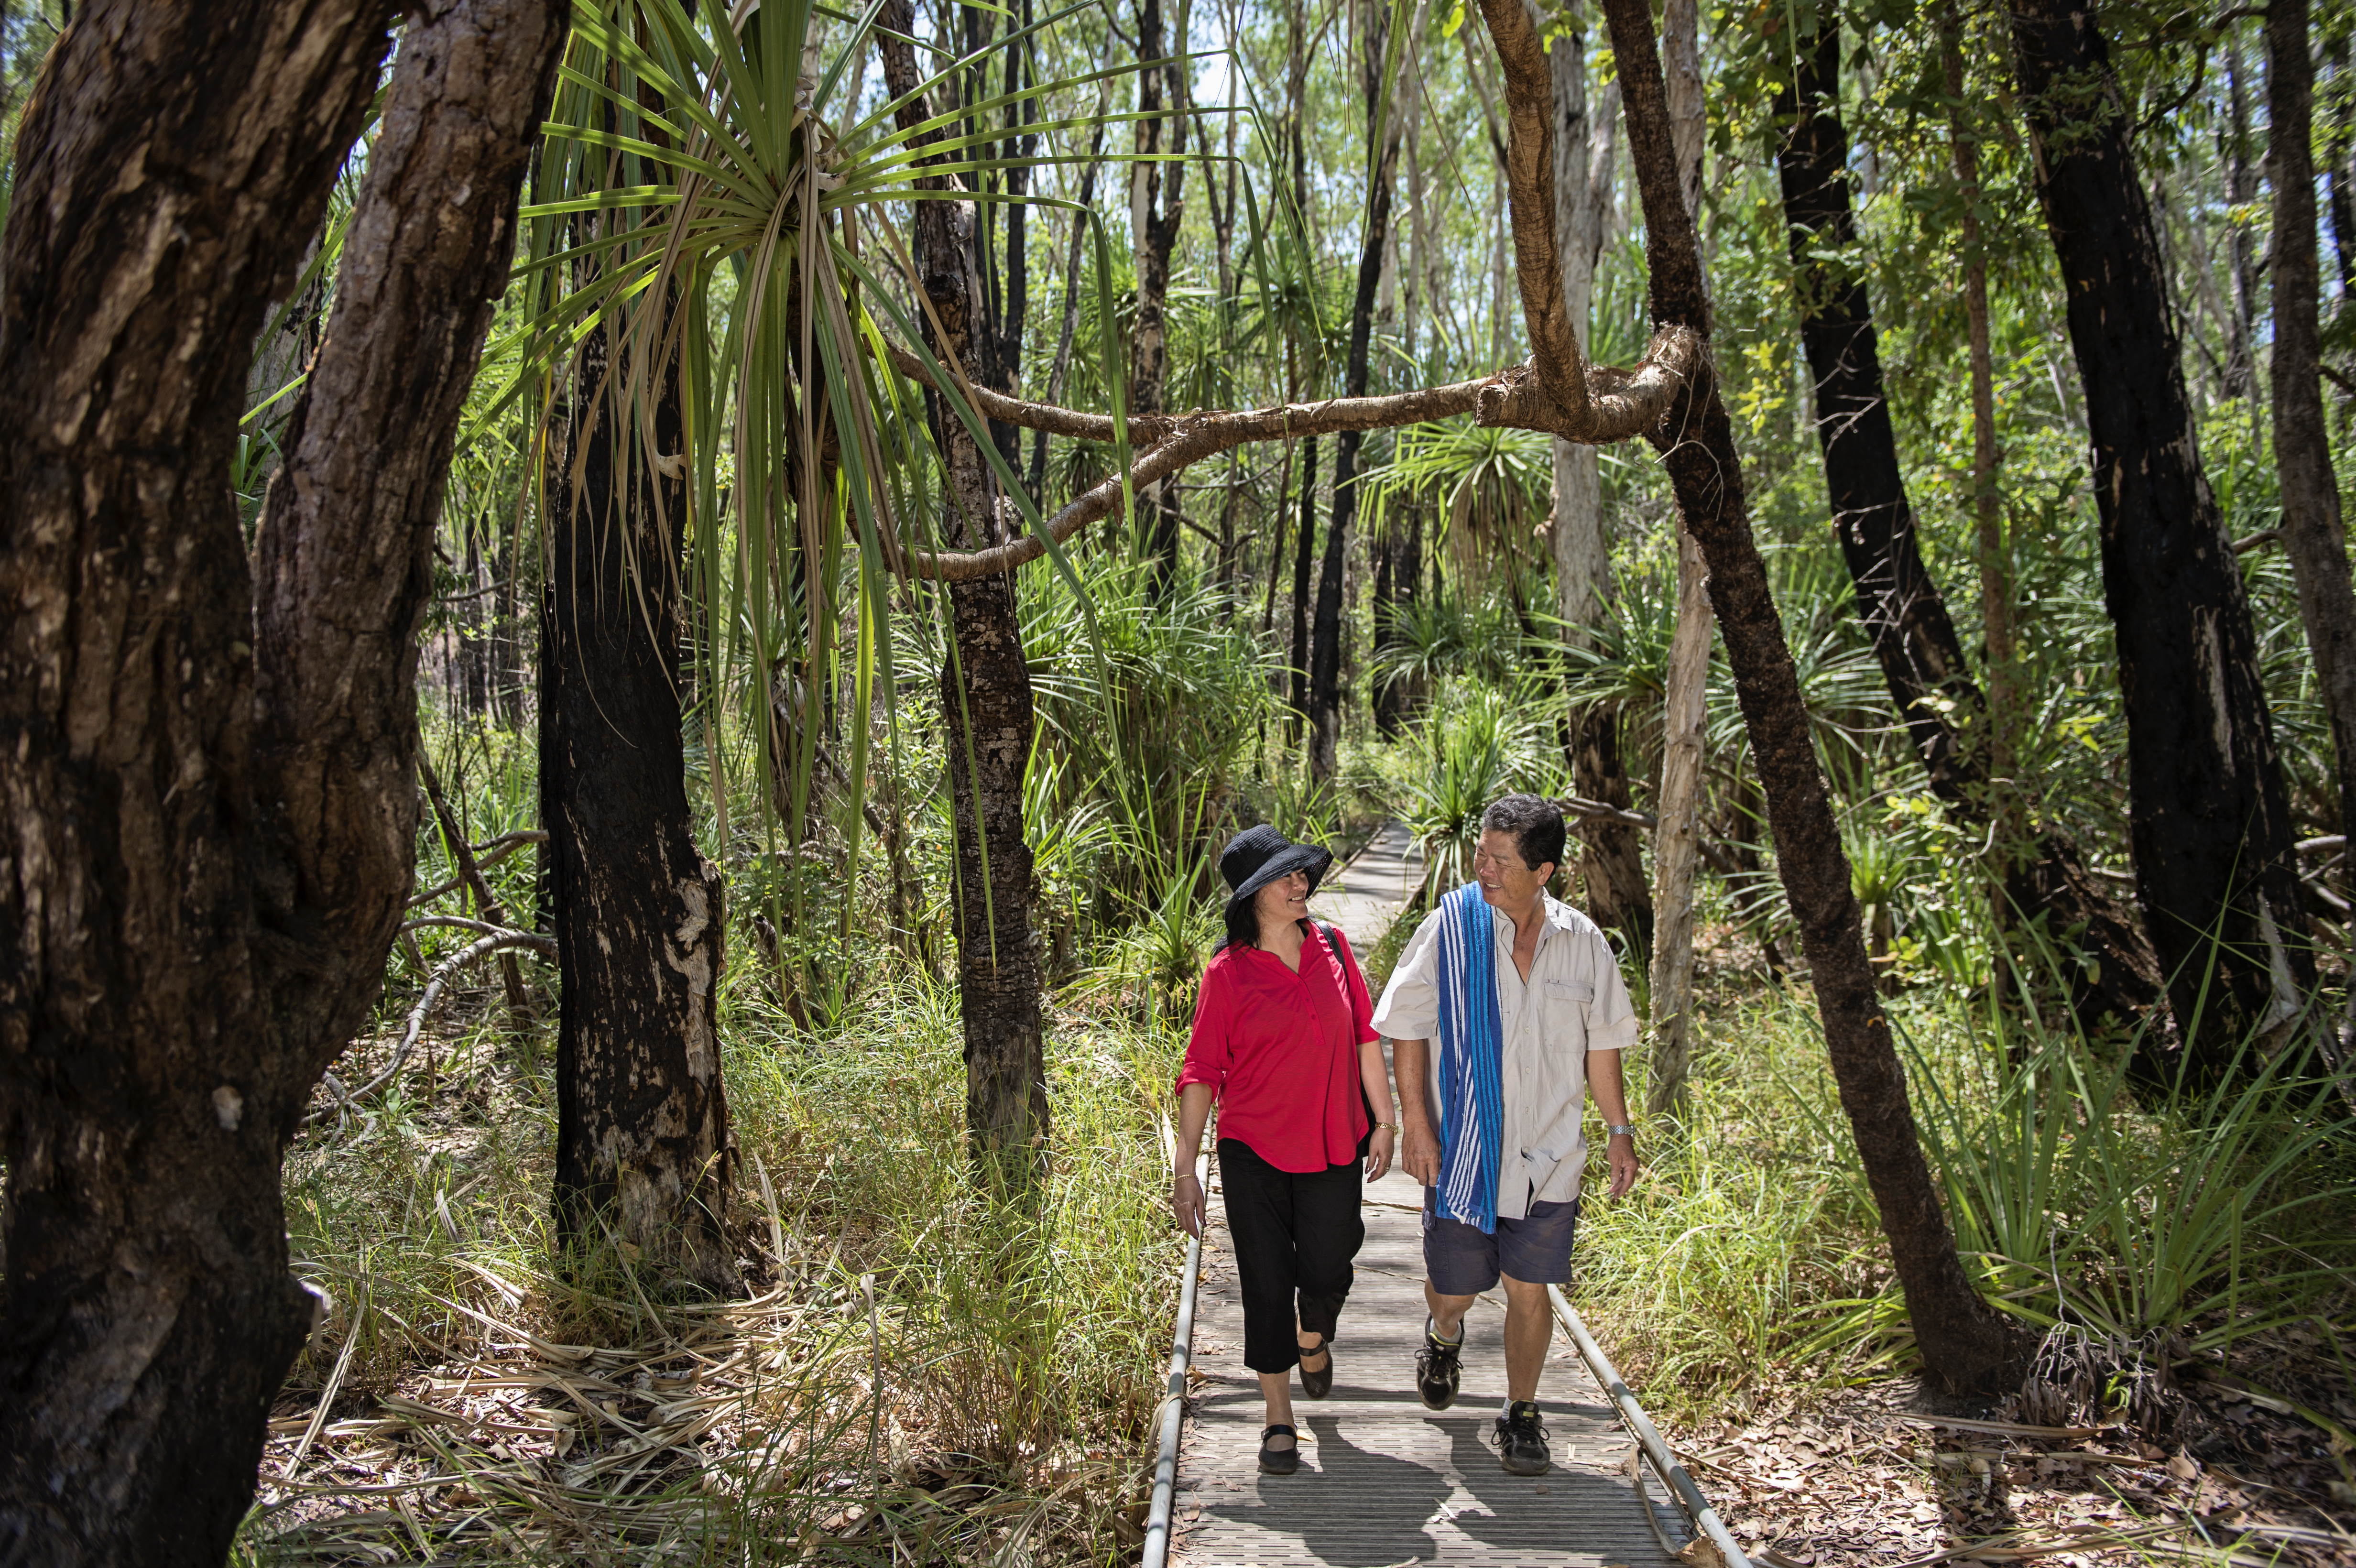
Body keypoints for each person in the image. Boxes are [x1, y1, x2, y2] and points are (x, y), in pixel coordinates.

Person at [1371, 793, 1641, 1477]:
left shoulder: (1583, 944)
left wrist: (1618, 1131)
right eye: (1480, 854)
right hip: (1463, 1151)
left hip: (1549, 1157)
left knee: (1530, 1288)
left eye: (1499, 859)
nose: (1482, 867)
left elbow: (1602, 1048)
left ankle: (1521, 1413)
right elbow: (1405, 1025)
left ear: (1544, 870)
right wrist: (1418, 1126)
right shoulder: (1451, 928)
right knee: (1454, 1288)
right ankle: (1445, 1332)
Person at [1170, 825, 1397, 1477]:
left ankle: (1313, 1334)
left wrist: (1385, 1120)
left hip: (1332, 1139)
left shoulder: (1333, 945)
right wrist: (1187, 1170)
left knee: (1330, 1264)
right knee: (1267, 1282)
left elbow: (1362, 1036)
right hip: (1252, 1152)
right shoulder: (1229, 973)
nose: (1302, 885)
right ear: (1253, 896)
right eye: (1286, 878)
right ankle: (1277, 1415)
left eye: (1303, 875)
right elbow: (1201, 1072)